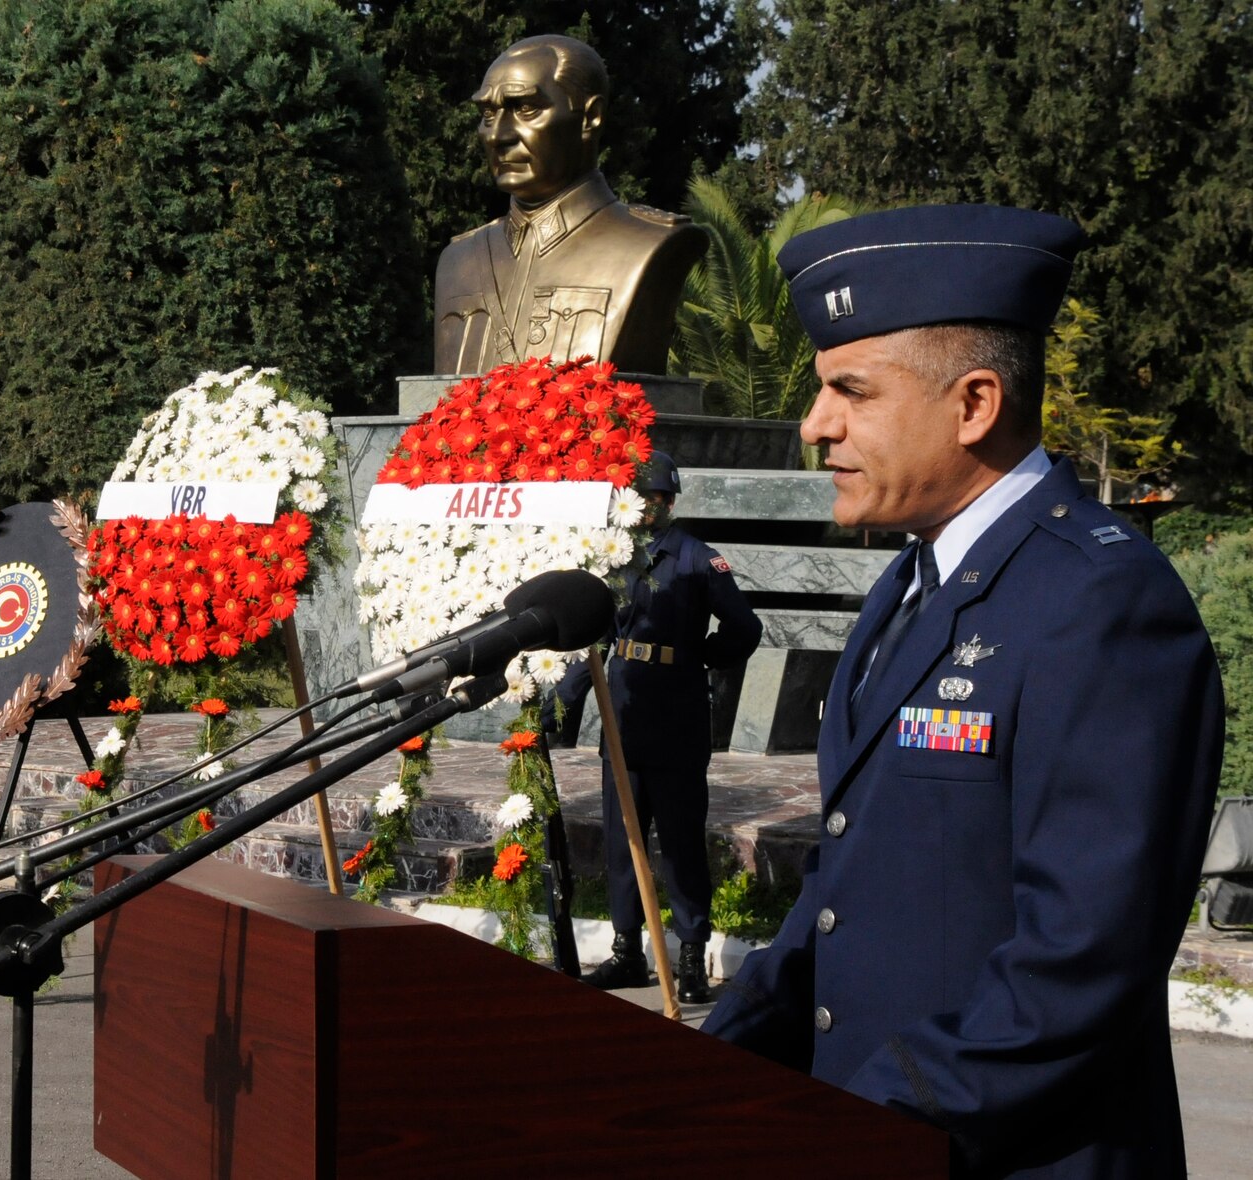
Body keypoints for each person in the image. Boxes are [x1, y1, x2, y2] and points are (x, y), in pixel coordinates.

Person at [701, 205, 1223, 1176]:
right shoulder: (908, 585)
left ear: (972, 403)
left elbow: (1077, 962)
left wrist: (872, 1121)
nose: (815, 425)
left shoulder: (1098, 602)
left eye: (848, 392)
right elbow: (840, 893)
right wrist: (696, 1072)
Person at [546, 453, 762, 1001]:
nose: (650, 508)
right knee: (624, 842)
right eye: (642, 500)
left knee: (682, 841)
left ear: (672, 501)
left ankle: (690, 954)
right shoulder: (612, 560)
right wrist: (560, 701)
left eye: (661, 498)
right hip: (625, 716)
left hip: (678, 717)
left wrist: (700, 657)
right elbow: (593, 638)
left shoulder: (696, 559)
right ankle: (625, 950)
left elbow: (744, 626)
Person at [433, 34, 706, 376]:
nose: (498, 135)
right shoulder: (459, 261)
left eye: (525, 108)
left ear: (590, 117)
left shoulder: (649, 242)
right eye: (488, 114)